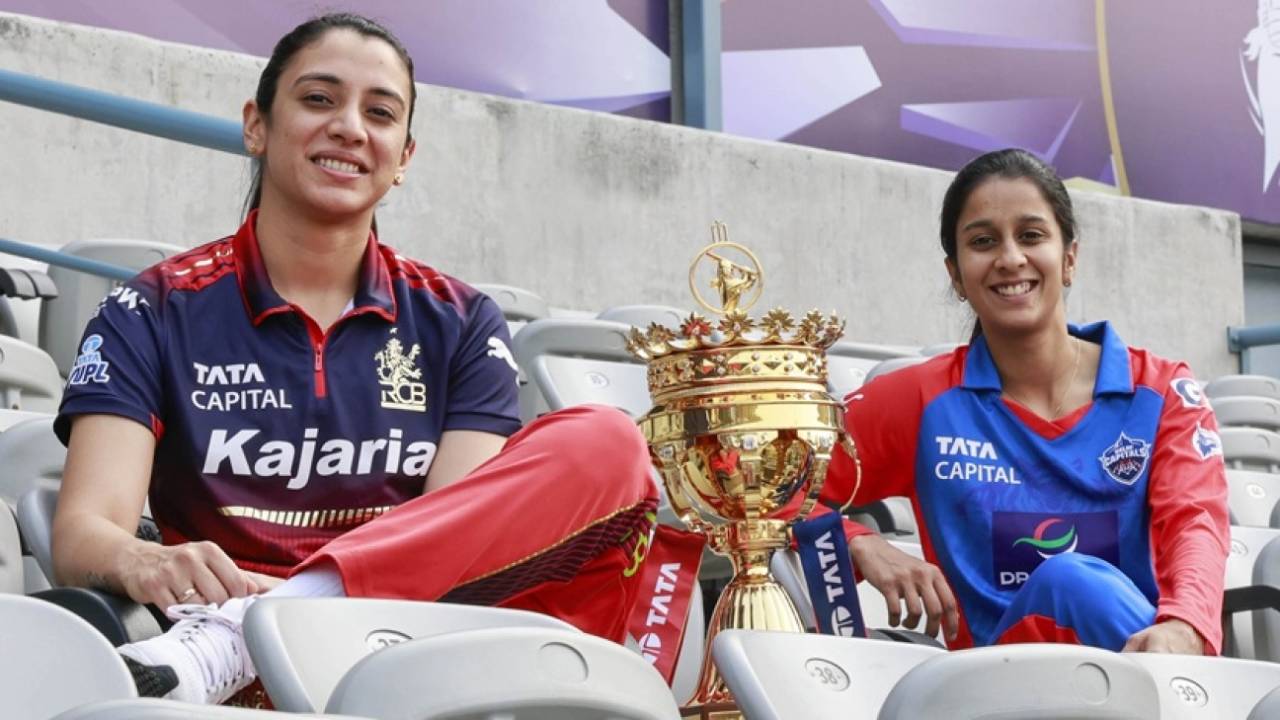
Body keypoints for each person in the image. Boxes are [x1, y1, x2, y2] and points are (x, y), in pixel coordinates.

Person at [51, 13, 656, 705]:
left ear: (403, 158)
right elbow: (82, 530)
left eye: (380, 113)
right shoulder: (152, 309)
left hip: (393, 645)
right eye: (318, 99)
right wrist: (144, 559)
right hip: (209, 658)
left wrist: (302, 613)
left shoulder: (460, 321)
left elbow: (460, 541)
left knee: (607, 441)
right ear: (257, 125)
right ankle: (255, 630)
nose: (348, 127)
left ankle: (266, 624)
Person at [823, 148, 1229, 655]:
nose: (1010, 258)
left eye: (1032, 236)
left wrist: (1185, 625)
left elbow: (1195, 523)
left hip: (1144, 672)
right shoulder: (920, 400)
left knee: (1077, 584)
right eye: (983, 241)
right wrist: (858, 540)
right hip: (990, 691)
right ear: (956, 274)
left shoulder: (1162, 393)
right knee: (1070, 582)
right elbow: (769, 486)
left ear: (1070, 259)